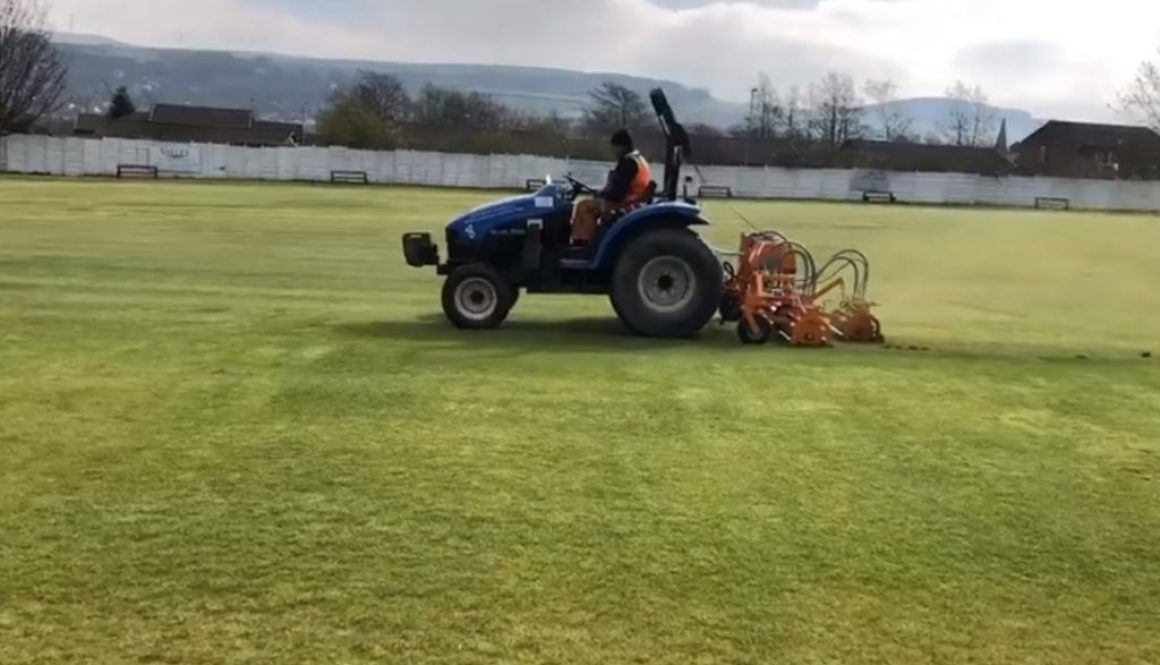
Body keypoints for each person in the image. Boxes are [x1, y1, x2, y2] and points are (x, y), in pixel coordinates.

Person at [570, 129, 652, 246]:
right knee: (590, 203)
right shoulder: (639, 159)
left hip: (625, 203)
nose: (613, 151)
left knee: (583, 206)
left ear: (621, 146)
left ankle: (581, 243)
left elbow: (618, 193)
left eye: (613, 147)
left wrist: (602, 195)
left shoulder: (628, 163)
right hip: (633, 199)